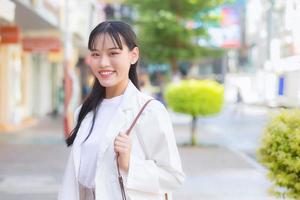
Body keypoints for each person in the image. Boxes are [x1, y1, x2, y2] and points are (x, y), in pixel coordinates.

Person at [58, 21, 185, 200]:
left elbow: (173, 177)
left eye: (113, 53)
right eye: (96, 54)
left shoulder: (149, 111)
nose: (103, 63)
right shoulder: (84, 112)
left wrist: (129, 164)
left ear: (133, 55)